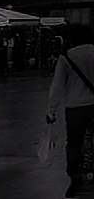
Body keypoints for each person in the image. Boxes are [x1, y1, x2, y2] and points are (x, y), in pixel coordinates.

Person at [47, 24, 94, 197]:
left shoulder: (66, 56)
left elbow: (57, 86)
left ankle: (75, 179)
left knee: (74, 143)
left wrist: (51, 110)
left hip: (75, 107)